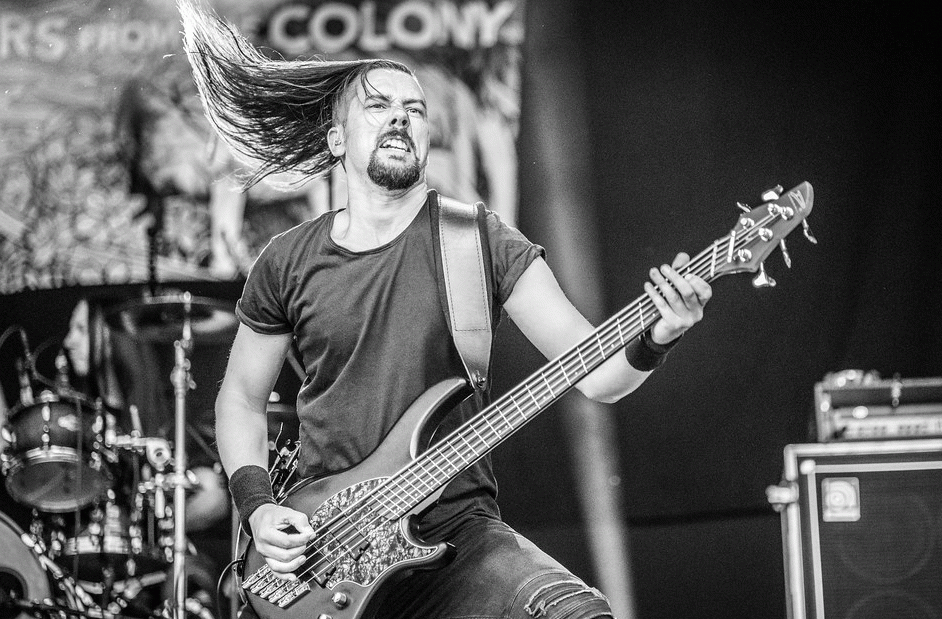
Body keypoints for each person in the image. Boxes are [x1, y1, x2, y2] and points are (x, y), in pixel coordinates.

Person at [180, 3, 712, 617]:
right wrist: (257, 507)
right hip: (325, 552)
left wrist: (658, 335)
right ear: (335, 139)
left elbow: (599, 376)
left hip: (457, 538)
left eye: (415, 109)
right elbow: (240, 399)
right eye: (378, 105)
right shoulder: (287, 259)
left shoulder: (479, 240)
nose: (400, 117)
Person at [62, 297, 230, 534]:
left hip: (147, 532)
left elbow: (209, 491)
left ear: (109, 334)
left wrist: (158, 534)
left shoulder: (154, 407)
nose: (69, 341)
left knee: (212, 490)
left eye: (81, 329)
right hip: (93, 533)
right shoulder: (75, 410)